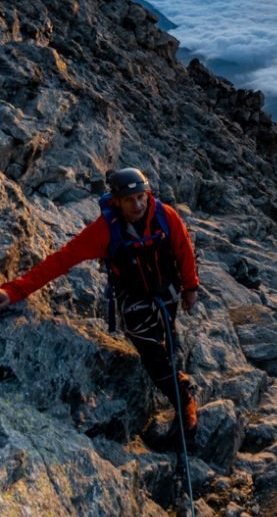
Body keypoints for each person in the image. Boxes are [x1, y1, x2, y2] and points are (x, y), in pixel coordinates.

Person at [0, 168, 200, 437]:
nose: (138, 204)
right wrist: (13, 291)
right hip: (135, 301)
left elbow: (183, 249)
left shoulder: (165, 216)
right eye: (129, 199)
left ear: (148, 194)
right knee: (152, 355)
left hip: (168, 293)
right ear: (116, 201)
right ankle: (183, 399)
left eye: (141, 196)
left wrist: (191, 288)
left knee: (165, 334)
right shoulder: (105, 231)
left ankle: (173, 369)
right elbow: (61, 260)